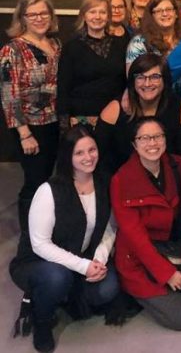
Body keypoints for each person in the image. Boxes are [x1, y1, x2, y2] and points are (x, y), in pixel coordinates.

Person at [10, 126, 118, 352]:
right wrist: (83, 266)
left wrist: (98, 259)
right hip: (37, 262)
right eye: (79, 153)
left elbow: (110, 226)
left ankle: (64, 293)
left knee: (108, 289)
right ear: (67, 156)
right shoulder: (49, 190)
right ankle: (42, 319)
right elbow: (40, 244)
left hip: (82, 255)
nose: (88, 157)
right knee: (57, 277)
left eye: (92, 150)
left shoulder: (104, 182)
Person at [111, 117, 181, 331]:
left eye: (157, 136)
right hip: (137, 259)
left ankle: (168, 282)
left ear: (165, 140)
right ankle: (132, 292)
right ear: (134, 144)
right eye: (144, 138)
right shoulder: (121, 180)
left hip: (169, 246)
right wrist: (167, 273)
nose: (152, 143)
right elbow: (134, 237)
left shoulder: (178, 165)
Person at [1, 0, 61, 232]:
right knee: (35, 181)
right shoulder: (12, 50)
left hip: (56, 122)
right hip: (31, 127)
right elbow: (9, 94)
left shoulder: (56, 45)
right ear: (22, 18)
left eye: (44, 13)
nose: (39, 18)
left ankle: (47, 225)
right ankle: (30, 233)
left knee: (51, 178)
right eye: (33, 14)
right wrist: (24, 133)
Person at [95, 54, 181, 175]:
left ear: (165, 80)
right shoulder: (114, 110)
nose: (147, 83)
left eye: (155, 77)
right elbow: (99, 161)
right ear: (133, 81)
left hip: (170, 183)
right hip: (123, 184)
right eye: (141, 77)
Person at [57, 0, 129, 131]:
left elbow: (125, 82)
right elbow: (63, 88)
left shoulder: (121, 46)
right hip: (81, 121)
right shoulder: (72, 47)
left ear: (108, 16)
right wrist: (64, 126)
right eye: (92, 12)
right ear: (84, 15)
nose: (97, 17)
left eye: (102, 12)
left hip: (115, 119)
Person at [125, 0, 181, 72]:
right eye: (158, 11)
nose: (165, 14)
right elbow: (134, 77)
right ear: (152, 16)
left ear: (176, 13)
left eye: (169, 9)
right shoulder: (139, 43)